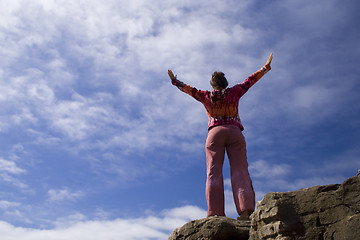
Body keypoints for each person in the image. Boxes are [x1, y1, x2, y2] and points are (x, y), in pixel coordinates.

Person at [168, 53, 273, 220]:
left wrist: (175, 81)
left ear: (212, 84)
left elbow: (189, 90)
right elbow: (250, 80)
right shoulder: (235, 92)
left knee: (213, 172)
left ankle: (215, 213)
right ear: (226, 83)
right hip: (234, 132)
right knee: (240, 170)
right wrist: (265, 68)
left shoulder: (206, 96)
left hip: (215, 134)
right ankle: (245, 211)